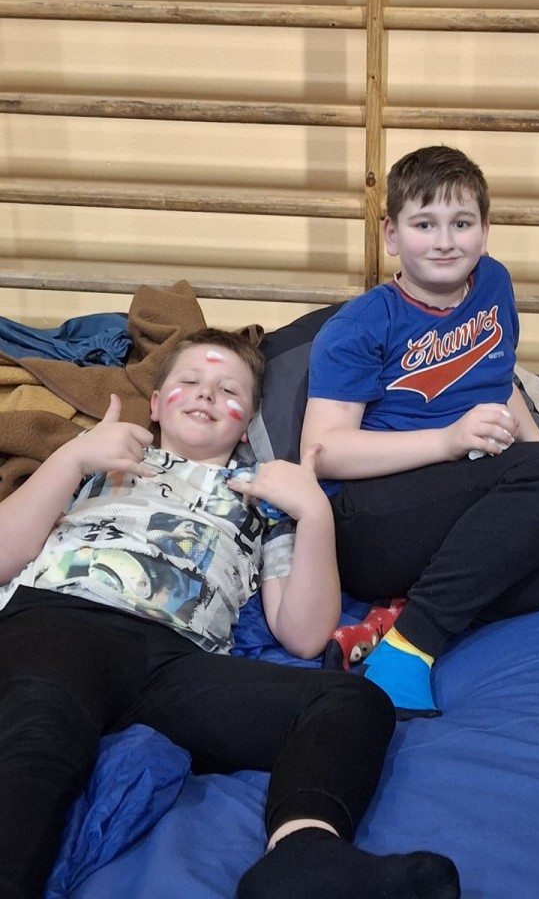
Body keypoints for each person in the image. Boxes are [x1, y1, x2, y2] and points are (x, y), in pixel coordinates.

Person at [0, 327, 460, 899]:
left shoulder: (264, 501)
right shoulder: (97, 460)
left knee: (351, 700)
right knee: (42, 734)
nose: (206, 394)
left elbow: (305, 636)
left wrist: (314, 514)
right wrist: (71, 458)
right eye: (190, 381)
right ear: (155, 404)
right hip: (62, 621)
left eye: (228, 390)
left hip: (175, 662)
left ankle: (302, 855)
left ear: (247, 424)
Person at [302, 145, 539, 719]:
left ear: (485, 232)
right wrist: (449, 441)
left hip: (463, 506)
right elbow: (323, 451)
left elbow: (498, 380)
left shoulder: (494, 284)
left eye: (461, 224)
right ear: (391, 235)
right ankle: (411, 647)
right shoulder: (360, 325)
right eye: (424, 225)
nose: (444, 241)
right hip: (370, 523)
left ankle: (402, 617)